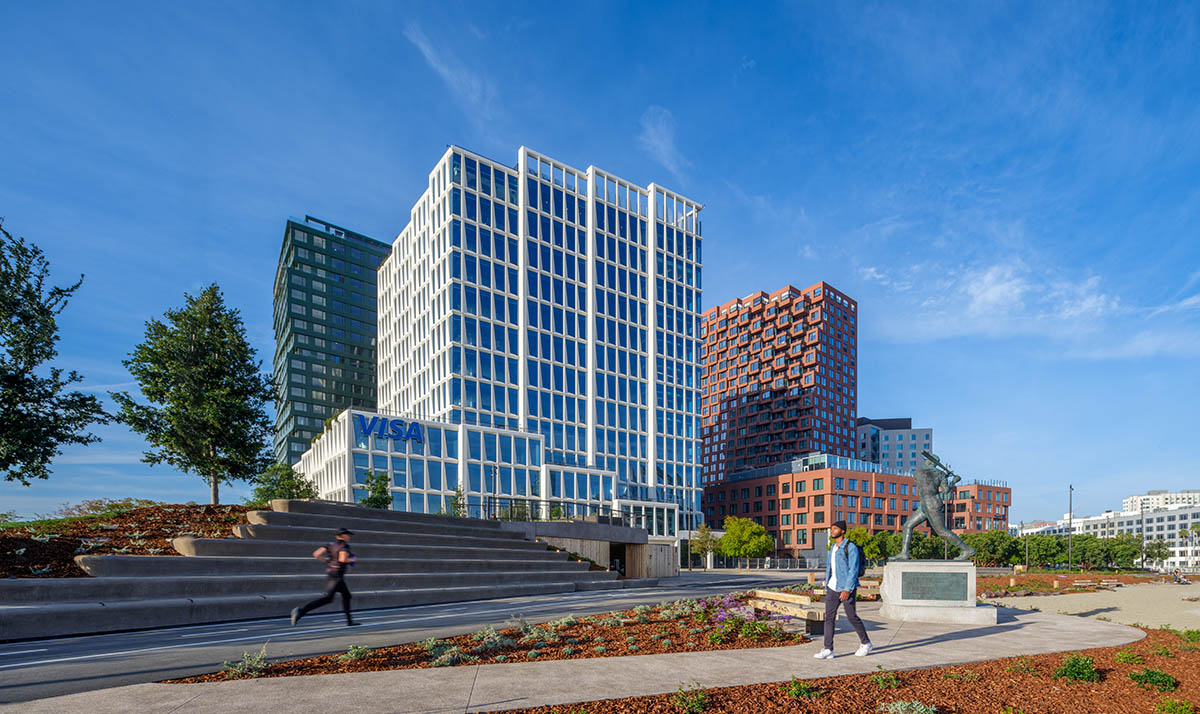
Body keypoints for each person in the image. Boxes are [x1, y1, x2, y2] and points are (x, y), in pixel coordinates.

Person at [813, 520, 872, 659]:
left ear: (843, 531)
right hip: (832, 587)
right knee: (829, 618)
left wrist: (847, 589)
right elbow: (830, 568)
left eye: (835, 528)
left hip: (846, 587)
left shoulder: (850, 547)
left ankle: (866, 643)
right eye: (831, 528)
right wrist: (827, 584)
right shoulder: (832, 547)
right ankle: (828, 649)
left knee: (852, 617)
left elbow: (853, 570)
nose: (832, 531)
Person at [291, 527, 358, 626]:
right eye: (348, 535)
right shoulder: (344, 546)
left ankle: (349, 621)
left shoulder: (330, 544)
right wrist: (352, 560)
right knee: (328, 598)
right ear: (343, 535)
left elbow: (316, 554)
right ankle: (300, 611)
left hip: (331, 573)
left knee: (346, 596)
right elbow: (342, 559)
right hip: (337, 575)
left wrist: (326, 561)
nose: (349, 537)